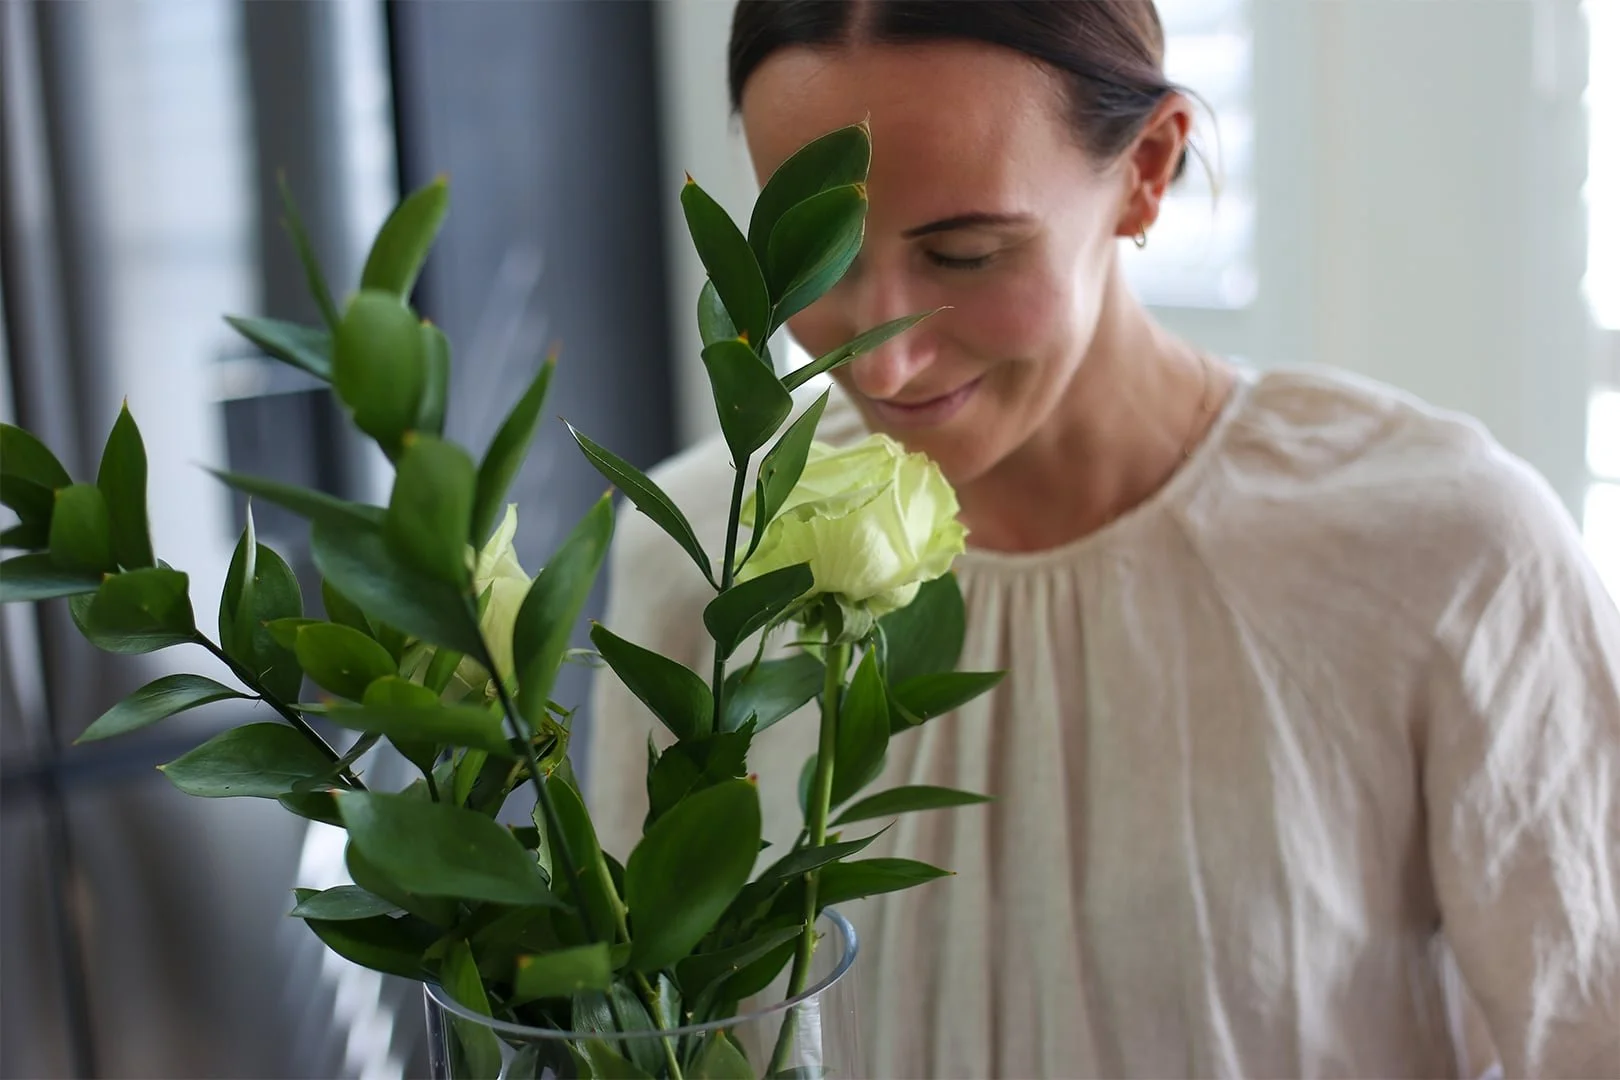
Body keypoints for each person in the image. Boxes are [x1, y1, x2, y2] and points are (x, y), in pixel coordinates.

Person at [588, 2, 1620, 1075]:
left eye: (965, 253)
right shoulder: (702, 552)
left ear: (1148, 168)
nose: (881, 363)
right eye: (811, 254)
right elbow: (634, 1028)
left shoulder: (1443, 559)